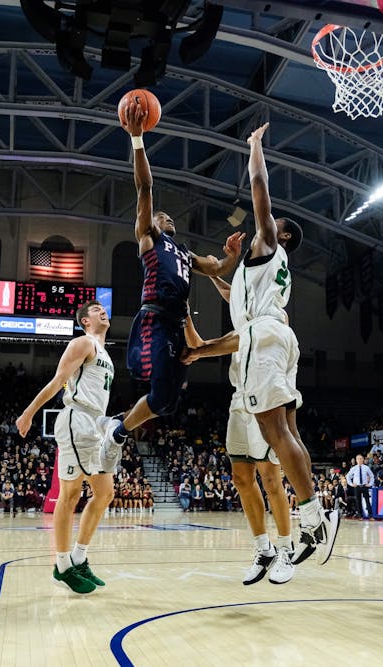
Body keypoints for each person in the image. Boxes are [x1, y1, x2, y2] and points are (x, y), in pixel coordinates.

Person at [182, 122, 339, 567]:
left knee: (273, 431)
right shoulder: (262, 274)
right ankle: (314, 514)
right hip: (275, 337)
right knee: (286, 431)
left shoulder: (271, 242)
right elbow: (234, 301)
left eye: (269, 226)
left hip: (264, 339)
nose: (258, 228)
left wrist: (253, 148)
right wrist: (222, 268)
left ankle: (313, 520)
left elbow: (259, 188)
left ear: (281, 235)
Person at [98, 98, 244, 463]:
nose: (167, 218)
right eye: (162, 216)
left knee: (167, 403)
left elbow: (218, 270)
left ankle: (117, 426)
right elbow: (145, 188)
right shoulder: (149, 236)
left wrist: (231, 255)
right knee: (161, 390)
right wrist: (137, 140)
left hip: (178, 324)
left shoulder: (183, 253)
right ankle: (115, 436)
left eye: (168, 217)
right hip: (154, 319)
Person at [185, 282, 295, 586]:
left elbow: (223, 341)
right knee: (241, 477)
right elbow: (231, 297)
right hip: (239, 399)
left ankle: (286, 548)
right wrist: (201, 279)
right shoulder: (244, 321)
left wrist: (202, 351)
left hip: (267, 396)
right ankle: (264, 549)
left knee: (271, 478)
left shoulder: (274, 317)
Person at [16, 300, 116, 595]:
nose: (103, 311)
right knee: (71, 494)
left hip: (96, 425)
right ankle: (61, 565)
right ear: (85, 320)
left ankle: (79, 557)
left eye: (104, 309)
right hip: (77, 419)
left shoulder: (105, 353)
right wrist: (29, 412)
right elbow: (58, 380)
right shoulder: (83, 342)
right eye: (96, 310)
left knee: (105, 492)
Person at [346, 454, 375, 520]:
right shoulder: (353, 468)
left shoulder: (366, 467)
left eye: (361, 458)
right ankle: (360, 516)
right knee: (358, 501)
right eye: (358, 459)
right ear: (356, 460)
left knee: (367, 501)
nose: (359, 460)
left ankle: (370, 516)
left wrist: (370, 484)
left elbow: (372, 476)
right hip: (357, 487)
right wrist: (351, 484)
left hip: (364, 486)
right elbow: (348, 476)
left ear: (363, 459)